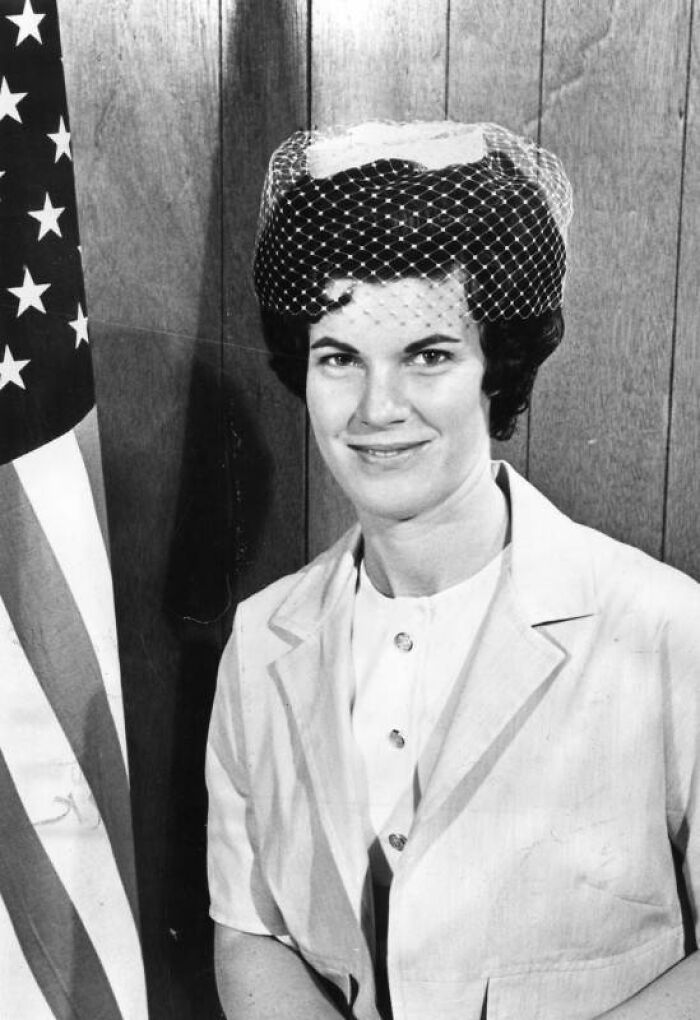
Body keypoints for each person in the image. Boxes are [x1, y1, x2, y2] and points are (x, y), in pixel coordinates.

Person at [206, 121, 700, 1019]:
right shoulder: (259, 638)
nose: (376, 407)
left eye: (427, 355)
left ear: (497, 370)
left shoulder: (668, 629)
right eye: (337, 358)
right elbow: (252, 930)